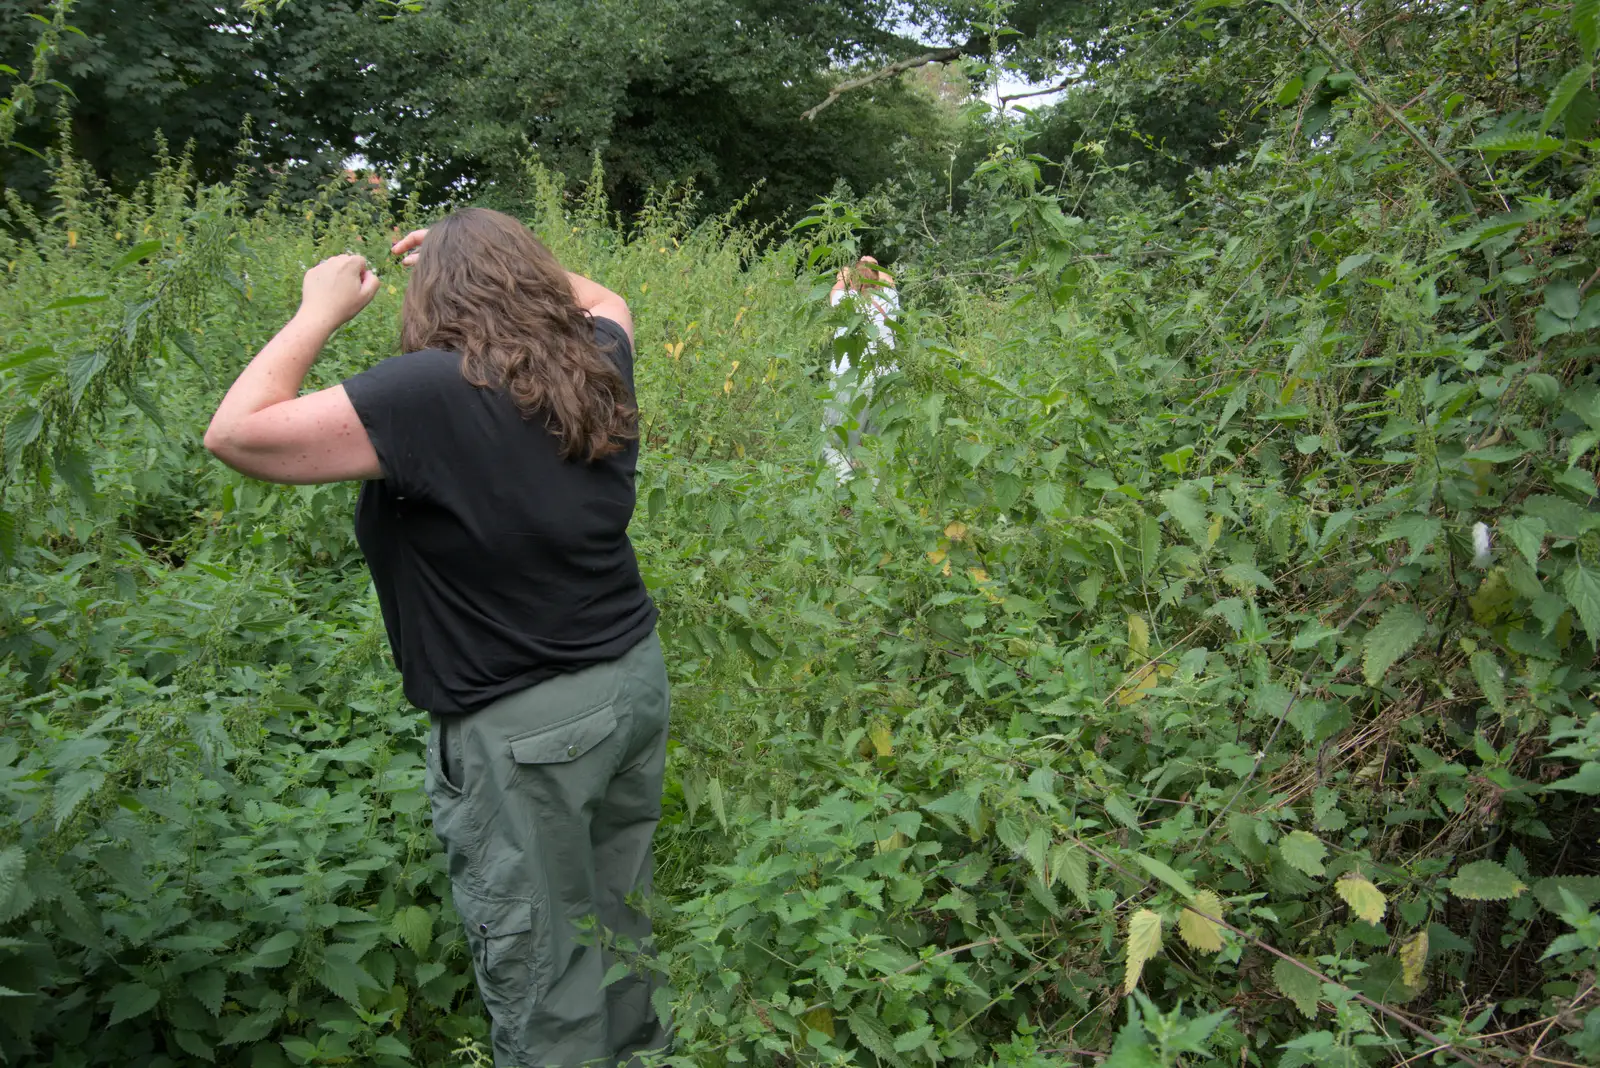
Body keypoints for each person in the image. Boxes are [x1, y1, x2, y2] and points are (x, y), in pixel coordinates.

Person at [203, 209, 671, 1068]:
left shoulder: (428, 392)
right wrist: (498, 253)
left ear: (434, 301)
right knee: (616, 927)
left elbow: (236, 433)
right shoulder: (594, 358)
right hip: (629, 683)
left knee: (543, 969)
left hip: (526, 726)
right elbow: (608, 295)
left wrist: (318, 309)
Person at [822, 255, 899, 482]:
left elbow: (836, 287)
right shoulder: (889, 299)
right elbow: (889, 281)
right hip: (885, 380)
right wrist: (872, 264)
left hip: (850, 378)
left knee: (837, 442)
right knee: (879, 443)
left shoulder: (847, 300)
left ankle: (845, 494)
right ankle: (876, 499)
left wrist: (848, 271)